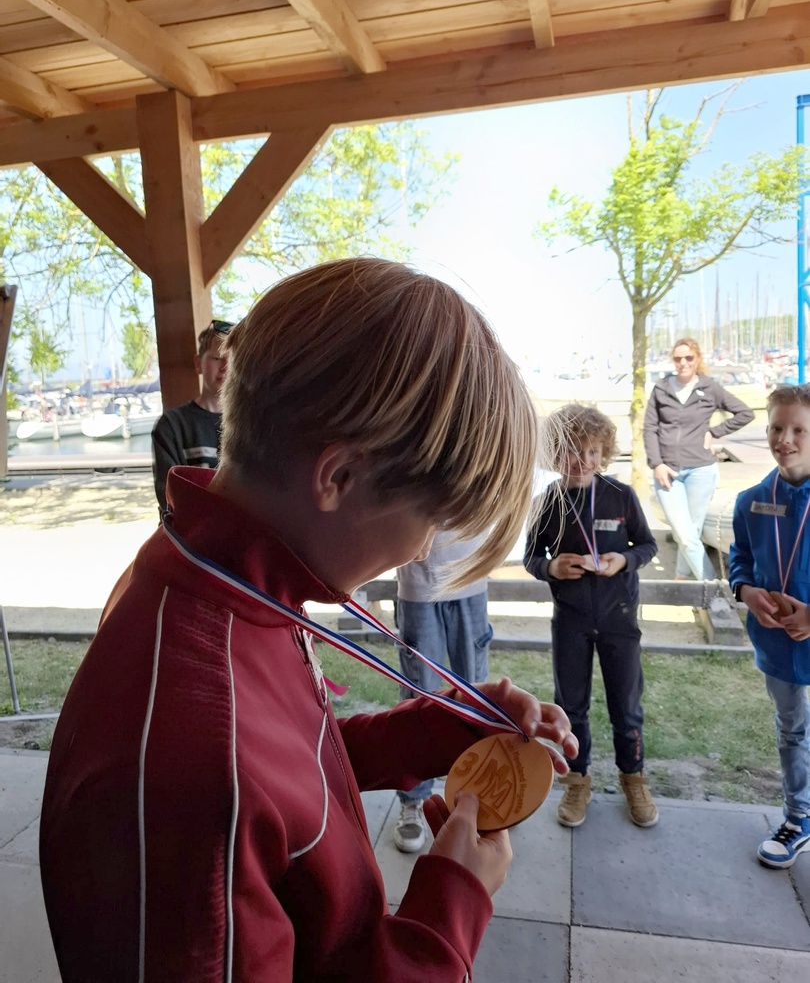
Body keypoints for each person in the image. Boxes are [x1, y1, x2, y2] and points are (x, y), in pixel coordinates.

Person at [39, 257, 577, 983]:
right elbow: (232, 781)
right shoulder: (190, 759)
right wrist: (446, 914)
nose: (423, 548)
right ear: (338, 476)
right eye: (432, 519)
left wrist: (437, 731)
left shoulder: (228, 584)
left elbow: (284, 774)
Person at [524, 404, 658, 828]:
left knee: (626, 705)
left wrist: (624, 560)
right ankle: (577, 781)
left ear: (605, 454)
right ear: (555, 453)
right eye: (571, 450)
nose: (583, 460)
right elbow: (531, 557)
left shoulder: (621, 496)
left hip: (619, 618)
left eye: (593, 451)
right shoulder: (547, 502)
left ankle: (633, 779)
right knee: (571, 705)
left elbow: (648, 546)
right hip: (572, 620)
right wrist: (551, 567)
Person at [729, 384, 810, 869]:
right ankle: (799, 816)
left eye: (800, 429)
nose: (786, 439)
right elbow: (739, 557)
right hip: (777, 643)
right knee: (791, 729)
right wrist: (744, 591)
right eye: (778, 428)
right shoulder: (751, 501)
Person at [393, 530, 491, 853]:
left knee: (476, 700)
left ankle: (478, 797)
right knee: (418, 700)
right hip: (418, 584)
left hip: (471, 577)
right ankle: (414, 800)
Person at [643, 337, 754, 580]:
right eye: (678, 358)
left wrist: (714, 432)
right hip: (668, 471)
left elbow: (745, 413)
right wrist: (657, 463)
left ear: (697, 359)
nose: (683, 363)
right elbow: (649, 428)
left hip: (701, 470)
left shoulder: (710, 388)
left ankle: (681, 577)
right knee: (683, 533)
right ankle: (712, 585)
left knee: (691, 531)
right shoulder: (661, 388)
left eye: (688, 358)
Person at [151, 318, 234, 516]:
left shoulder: (252, 424)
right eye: (217, 358)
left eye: (233, 358)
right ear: (198, 364)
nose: (225, 366)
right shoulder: (171, 426)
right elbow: (169, 498)